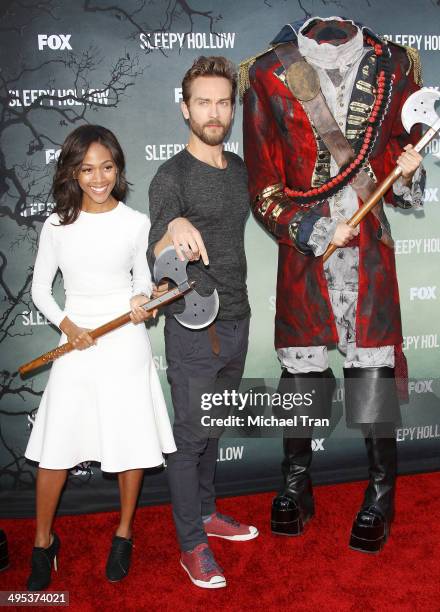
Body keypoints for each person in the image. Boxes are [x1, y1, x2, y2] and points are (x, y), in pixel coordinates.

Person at [241, 16, 424, 552]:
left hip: (368, 246)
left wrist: (408, 171)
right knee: (301, 372)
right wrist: (314, 229)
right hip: (305, 253)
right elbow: (264, 184)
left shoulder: (393, 66)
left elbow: (394, 158)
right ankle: (296, 487)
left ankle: (380, 494)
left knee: (371, 369)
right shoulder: (270, 74)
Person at [25, 125, 176, 590]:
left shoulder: (134, 222)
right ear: (72, 171)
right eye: (87, 168)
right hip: (78, 340)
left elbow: (140, 283)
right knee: (55, 449)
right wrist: (70, 329)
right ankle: (42, 541)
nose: (98, 177)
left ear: (118, 169)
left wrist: (140, 301)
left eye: (107, 167)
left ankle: (124, 532)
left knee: (129, 438)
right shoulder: (56, 225)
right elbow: (39, 290)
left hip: (124, 342)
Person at [145, 56, 258, 589]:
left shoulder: (238, 170)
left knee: (211, 433)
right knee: (191, 439)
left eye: (222, 101)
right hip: (194, 331)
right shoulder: (171, 176)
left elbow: (284, 205)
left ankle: (209, 513)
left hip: (239, 319)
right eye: (203, 102)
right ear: (184, 108)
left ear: (231, 109)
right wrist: (175, 225)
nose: (214, 112)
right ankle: (192, 545)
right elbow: (157, 252)